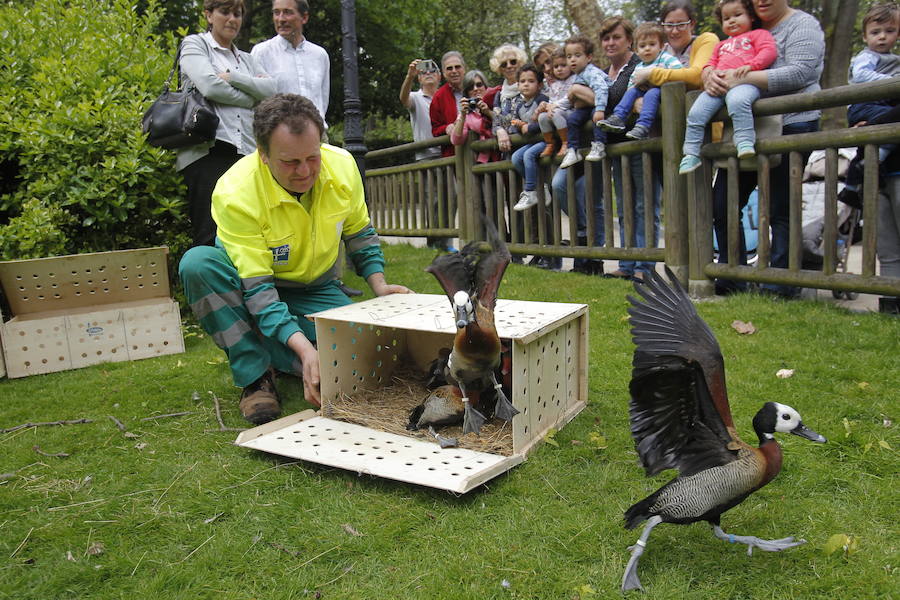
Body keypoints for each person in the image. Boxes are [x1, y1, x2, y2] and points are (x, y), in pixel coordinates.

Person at [178, 94, 411, 424]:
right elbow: (258, 291)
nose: (305, 171)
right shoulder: (235, 193)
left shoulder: (343, 165)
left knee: (370, 360)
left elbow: (360, 234)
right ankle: (255, 376)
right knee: (197, 264)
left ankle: (261, 341)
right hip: (253, 288)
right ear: (263, 155)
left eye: (312, 158)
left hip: (315, 288)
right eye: (290, 162)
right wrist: (304, 349)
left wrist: (380, 284)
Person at [704, 0, 824, 297]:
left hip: (794, 124)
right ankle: (732, 275)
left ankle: (780, 283)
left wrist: (739, 78)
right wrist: (711, 76)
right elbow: (719, 64)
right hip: (746, 128)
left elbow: (800, 73)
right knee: (723, 203)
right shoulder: (746, 27)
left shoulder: (802, 24)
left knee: (780, 206)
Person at [176, 0, 276, 248]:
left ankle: (246, 286)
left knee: (247, 230)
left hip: (246, 154)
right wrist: (251, 98)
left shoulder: (246, 59)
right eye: (225, 12)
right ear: (209, 15)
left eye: (237, 13)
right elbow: (209, 85)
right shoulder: (195, 45)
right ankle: (209, 285)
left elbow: (271, 89)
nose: (232, 19)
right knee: (210, 232)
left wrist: (233, 77)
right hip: (208, 151)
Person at [679, 0, 777, 174]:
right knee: (695, 113)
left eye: (737, 15)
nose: (731, 21)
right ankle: (691, 153)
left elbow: (768, 51)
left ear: (751, 17)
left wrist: (753, 65)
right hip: (718, 86)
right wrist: (708, 72)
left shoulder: (758, 34)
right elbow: (709, 64)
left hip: (745, 82)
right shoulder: (721, 45)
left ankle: (745, 141)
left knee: (737, 102)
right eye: (726, 18)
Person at [250, 0, 330, 128]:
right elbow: (257, 100)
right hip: (279, 134)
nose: (281, 19)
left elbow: (323, 100)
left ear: (304, 17)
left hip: (316, 134)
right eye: (276, 13)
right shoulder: (261, 53)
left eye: (287, 12)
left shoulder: (320, 55)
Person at [598, 23, 682, 141]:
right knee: (631, 92)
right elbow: (632, 83)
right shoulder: (639, 66)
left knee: (651, 93)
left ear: (661, 46)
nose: (647, 48)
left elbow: (679, 71)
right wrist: (633, 100)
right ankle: (618, 117)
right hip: (643, 93)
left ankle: (643, 125)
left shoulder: (666, 58)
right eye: (643, 46)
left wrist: (657, 75)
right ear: (637, 50)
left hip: (663, 92)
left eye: (652, 44)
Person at [632, 0, 720, 90]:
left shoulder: (705, 40)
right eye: (669, 25)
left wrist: (651, 74)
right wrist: (637, 101)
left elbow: (698, 76)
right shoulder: (658, 50)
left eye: (681, 24)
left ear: (692, 24)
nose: (675, 31)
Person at [559, 35, 611, 168]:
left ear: (588, 57)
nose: (572, 60)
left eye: (577, 55)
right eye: (569, 56)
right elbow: (571, 97)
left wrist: (600, 109)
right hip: (586, 106)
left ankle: (599, 144)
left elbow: (602, 89)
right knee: (572, 120)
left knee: (596, 118)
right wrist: (556, 106)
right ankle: (573, 150)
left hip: (603, 104)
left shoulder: (591, 72)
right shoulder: (578, 75)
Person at [508, 65, 550, 210]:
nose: (526, 84)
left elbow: (545, 121)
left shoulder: (542, 100)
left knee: (528, 155)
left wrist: (528, 127)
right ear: (518, 85)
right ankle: (540, 186)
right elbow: (515, 126)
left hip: (547, 140)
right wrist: (520, 126)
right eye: (522, 81)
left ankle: (530, 191)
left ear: (539, 85)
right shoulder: (519, 106)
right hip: (533, 141)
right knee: (516, 158)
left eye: (531, 81)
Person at [535, 48, 576, 159]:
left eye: (563, 66)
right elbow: (552, 99)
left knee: (556, 113)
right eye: (556, 67)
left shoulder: (575, 79)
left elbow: (570, 99)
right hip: (558, 111)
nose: (559, 69)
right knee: (542, 117)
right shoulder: (554, 84)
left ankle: (565, 142)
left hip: (570, 111)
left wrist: (554, 106)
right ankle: (550, 143)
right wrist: (548, 107)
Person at [490, 44, 530, 155]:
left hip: (531, 147)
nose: (509, 66)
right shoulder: (499, 95)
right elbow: (496, 122)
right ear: (499, 69)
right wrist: (500, 130)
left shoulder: (532, 86)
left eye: (513, 61)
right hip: (509, 152)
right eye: (504, 64)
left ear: (520, 63)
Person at [449, 71, 495, 164]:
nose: (475, 89)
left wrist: (488, 112)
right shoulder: (467, 113)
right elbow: (456, 140)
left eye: (479, 85)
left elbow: (507, 122)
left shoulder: (496, 98)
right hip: (486, 160)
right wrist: (462, 115)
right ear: (467, 92)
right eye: (470, 87)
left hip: (504, 150)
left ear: (485, 86)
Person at [430, 51, 467, 157]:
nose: (454, 71)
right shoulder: (439, 97)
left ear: (464, 69)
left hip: (481, 151)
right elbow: (435, 129)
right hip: (454, 155)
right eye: (449, 68)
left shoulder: (476, 87)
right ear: (444, 73)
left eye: (457, 67)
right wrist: (446, 128)